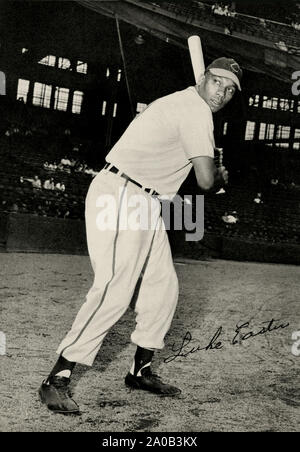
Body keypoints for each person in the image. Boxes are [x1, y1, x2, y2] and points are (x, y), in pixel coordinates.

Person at [39, 57, 242, 414]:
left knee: (163, 287)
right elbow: (207, 181)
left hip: (147, 200)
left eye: (229, 90)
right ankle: (56, 379)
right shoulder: (194, 110)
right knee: (115, 288)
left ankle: (140, 369)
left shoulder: (188, 104)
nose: (222, 93)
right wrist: (221, 175)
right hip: (122, 193)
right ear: (204, 78)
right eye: (217, 83)